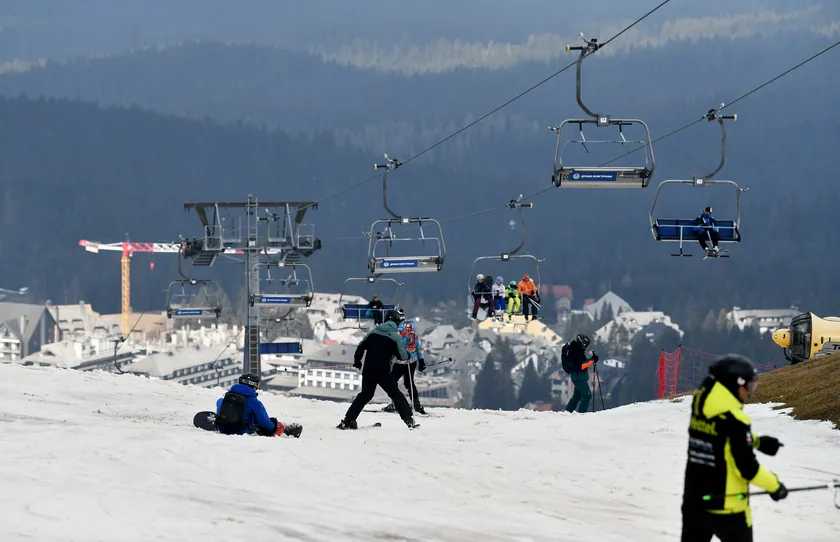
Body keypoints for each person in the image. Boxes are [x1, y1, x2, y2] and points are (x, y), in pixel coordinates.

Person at [681, 355, 788, 542]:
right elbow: (748, 468)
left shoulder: (700, 403)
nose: (750, 392)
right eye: (748, 386)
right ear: (733, 385)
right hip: (728, 508)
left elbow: (719, 437)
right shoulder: (736, 420)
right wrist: (775, 486)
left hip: (695, 502)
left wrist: (757, 442)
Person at [338, 309, 419, 430]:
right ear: (396, 323)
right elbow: (401, 356)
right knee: (395, 394)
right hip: (383, 372)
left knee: (365, 395)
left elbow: (360, 347)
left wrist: (357, 362)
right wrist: (407, 355)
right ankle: (408, 420)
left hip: (369, 370)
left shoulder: (373, 332)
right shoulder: (395, 337)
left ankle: (347, 421)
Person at [215, 373, 303, 438]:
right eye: (257, 386)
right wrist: (274, 425)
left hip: (223, 428)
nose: (256, 389)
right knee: (258, 417)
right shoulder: (254, 402)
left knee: (221, 402)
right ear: (253, 386)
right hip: (241, 431)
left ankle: (219, 420)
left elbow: (219, 402)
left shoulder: (228, 396)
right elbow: (266, 424)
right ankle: (283, 429)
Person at [383, 318, 427, 415]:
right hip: (412, 361)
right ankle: (417, 405)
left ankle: (396, 403)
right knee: (409, 383)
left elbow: (397, 346)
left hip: (400, 361)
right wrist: (421, 360)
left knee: (391, 382)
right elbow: (417, 346)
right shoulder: (412, 330)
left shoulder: (398, 330)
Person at [561, 334, 598, 413]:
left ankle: (568, 413)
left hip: (579, 377)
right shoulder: (574, 351)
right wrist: (592, 360)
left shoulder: (577, 350)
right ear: (580, 342)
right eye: (585, 345)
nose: (585, 347)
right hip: (578, 377)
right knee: (587, 396)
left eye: (587, 345)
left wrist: (592, 360)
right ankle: (581, 415)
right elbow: (581, 366)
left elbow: (582, 363)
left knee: (577, 397)